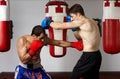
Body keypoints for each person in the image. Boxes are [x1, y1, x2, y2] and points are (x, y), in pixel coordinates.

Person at [41, 3, 102, 79]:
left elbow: (59, 26)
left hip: (89, 56)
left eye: (72, 16)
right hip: (97, 55)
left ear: (78, 14)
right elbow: (80, 39)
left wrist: (49, 22)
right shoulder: (91, 21)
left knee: (75, 75)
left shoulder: (82, 21)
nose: (72, 19)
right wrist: (74, 30)